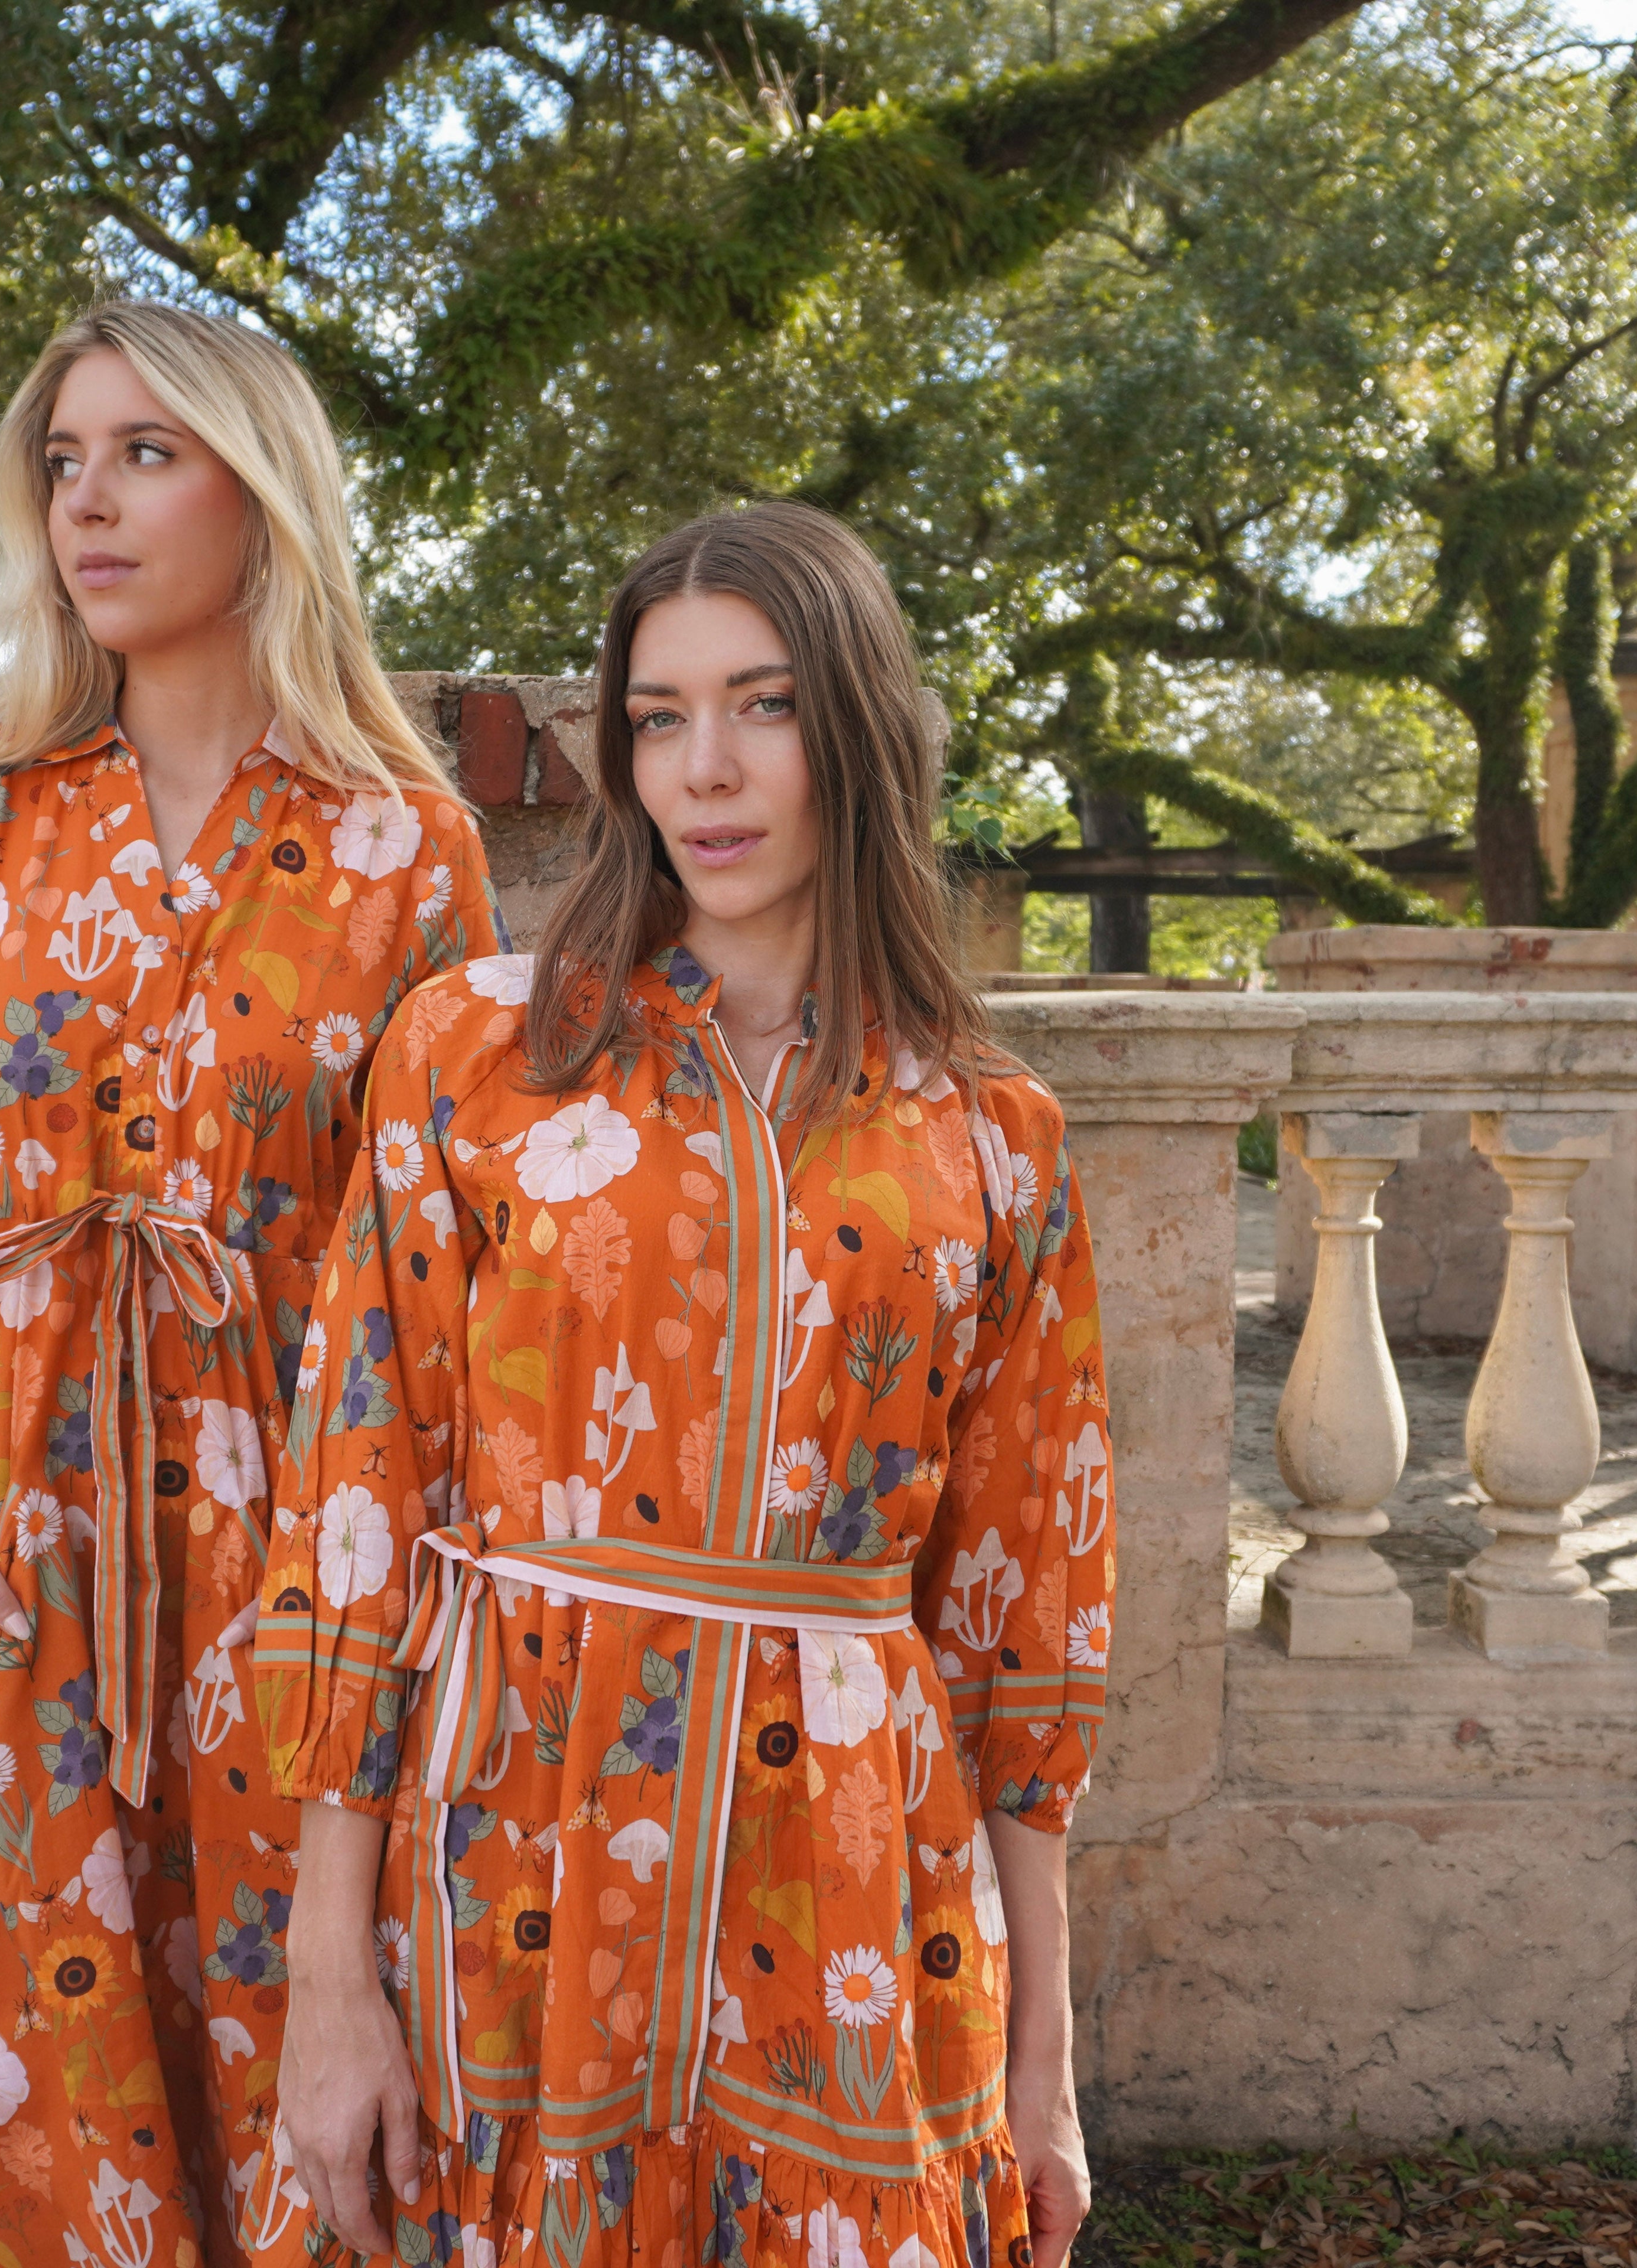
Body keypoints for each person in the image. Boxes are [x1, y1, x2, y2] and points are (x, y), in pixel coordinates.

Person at [0, 298, 504, 2268]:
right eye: (63, 463)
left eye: (147, 454)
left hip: (291, 1539)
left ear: (266, 493)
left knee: (291, 2045)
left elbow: (438, 1271)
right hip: (6, 1525)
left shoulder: (408, 851)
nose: (88, 502)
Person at [253, 502, 1112, 2268]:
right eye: (660, 718)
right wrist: (326, 1993)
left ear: (859, 732)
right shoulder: (483, 1052)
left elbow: (1025, 1615)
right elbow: (357, 1510)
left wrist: (1049, 2063)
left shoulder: (990, 1135)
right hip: (519, 1858)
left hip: (859, 1892)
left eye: (764, 706)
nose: (705, 770)